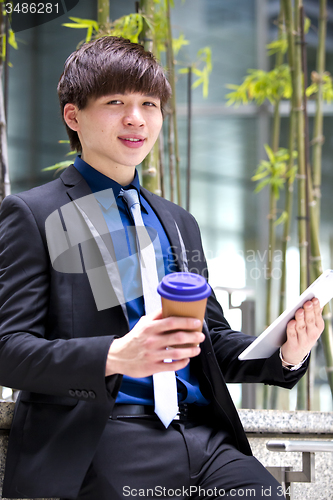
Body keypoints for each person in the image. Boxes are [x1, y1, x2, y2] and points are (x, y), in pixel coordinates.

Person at [0, 36, 324, 500]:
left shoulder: (177, 222)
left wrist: (287, 348)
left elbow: (208, 342)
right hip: (105, 439)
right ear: (74, 116)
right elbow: (8, 349)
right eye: (116, 102)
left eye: (149, 104)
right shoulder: (35, 214)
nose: (136, 118)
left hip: (205, 439)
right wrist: (116, 355)